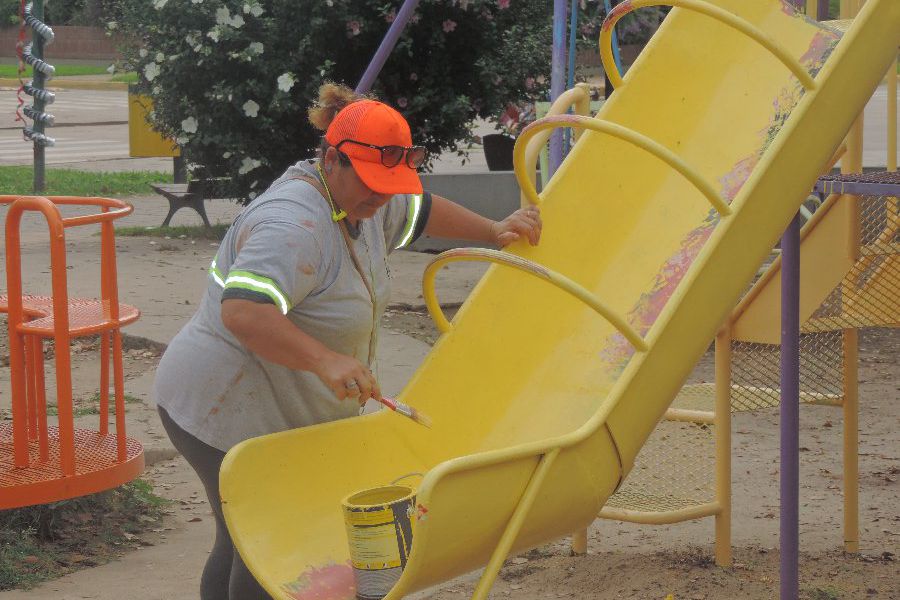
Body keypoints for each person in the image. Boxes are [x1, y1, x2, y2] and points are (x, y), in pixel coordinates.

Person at [152, 83, 542, 600]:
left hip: (263, 405)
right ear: (332, 158)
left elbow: (419, 211)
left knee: (241, 537)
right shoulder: (294, 224)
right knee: (272, 543)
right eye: (371, 182)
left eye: (390, 182)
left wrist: (494, 230)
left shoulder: (364, 200)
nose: (381, 195)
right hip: (221, 407)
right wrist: (325, 361)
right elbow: (244, 312)